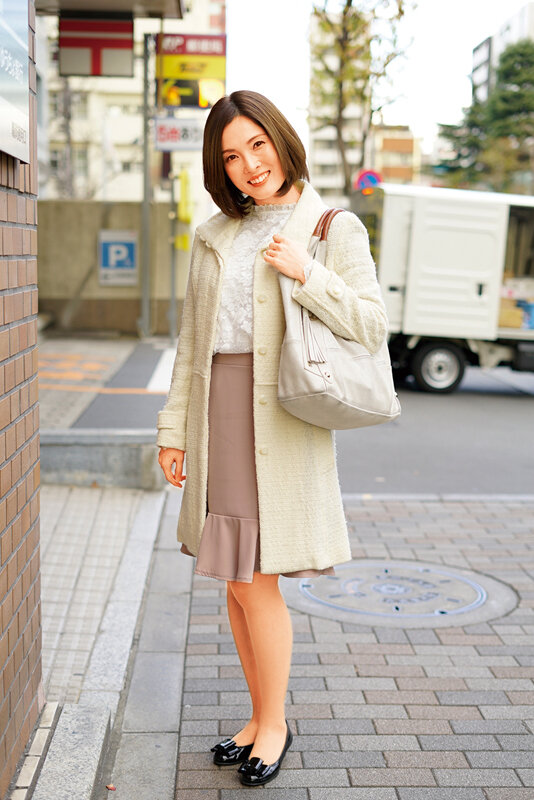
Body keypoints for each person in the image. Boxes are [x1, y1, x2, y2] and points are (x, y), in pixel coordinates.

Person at [157, 90, 388, 787]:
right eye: (231, 156)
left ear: (281, 141)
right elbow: (192, 343)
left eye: (257, 145)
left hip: (278, 419)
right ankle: (258, 719)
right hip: (217, 412)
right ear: (219, 167)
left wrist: (307, 272)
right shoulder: (215, 236)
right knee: (235, 583)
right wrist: (174, 429)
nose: (249, 164)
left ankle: (275, 723)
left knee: (257, 582)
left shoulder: (331, 226)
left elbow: (372, 324)